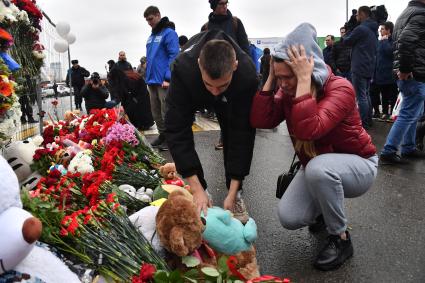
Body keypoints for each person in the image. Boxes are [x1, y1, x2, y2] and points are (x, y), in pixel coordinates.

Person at [250, 23, 378, 271]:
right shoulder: (287, 91)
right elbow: (261, 120)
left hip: (359, 166)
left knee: (319, 169)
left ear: (307, 70)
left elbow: (310, 129)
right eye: (280, 77)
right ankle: (324, 209)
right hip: (319, 165)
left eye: (288, 77)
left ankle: (340, 238)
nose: (284, 84)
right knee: (289, 217)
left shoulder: (341, 88)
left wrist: (304, 83)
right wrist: (270, 78)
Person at [165, 30, 257, 223]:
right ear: (199, 64)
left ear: (235, 66)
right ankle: (201, 192)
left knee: (234, 133)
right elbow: (177, 129)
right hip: (193, 88)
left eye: (221, 86)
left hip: (232, 96)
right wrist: (197, 188)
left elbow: (242, 134)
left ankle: (237, 195)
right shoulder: (183, 69)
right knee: (178, 129)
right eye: (210, 85)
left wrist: (233, 191)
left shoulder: (246, 74)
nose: (215, 92)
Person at [379, 0, 425, 165]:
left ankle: (408, 147)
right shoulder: (420, 14)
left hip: (408, 73)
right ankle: (389, 150)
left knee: (413, 112)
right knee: (408, 113)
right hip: (414, 73)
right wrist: (405, 69)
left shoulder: (406, 13)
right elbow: (405, 41)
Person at [144, 5, 179, 151]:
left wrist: (168, 78)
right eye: (147, 20)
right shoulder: (151, 36)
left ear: (158, 15)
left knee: (166, 111)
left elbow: (174, 55)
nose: (149, 22)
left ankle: (171, 139)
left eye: (151, 19)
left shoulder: (169, 33)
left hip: (163, 81)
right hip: (151, 80)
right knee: (155, 111)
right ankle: (162, 135)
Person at [343, 6, 378, 129]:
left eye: (357, 14)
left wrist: (349, 28)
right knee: (366, 94)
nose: (356, 16)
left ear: (362, 14)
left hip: (359, 66)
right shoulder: (373, 30)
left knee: (361, 96)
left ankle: (363, 123)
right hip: (369, 66)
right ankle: (368, 120)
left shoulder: (361, 29)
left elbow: (346, 41)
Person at [369, 21, 398, 120]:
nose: (380, 31)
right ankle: (384, 112)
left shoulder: (393, 41)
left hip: (391, 75)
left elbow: (390, 53)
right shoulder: (380, 42)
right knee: (384, 95)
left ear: (388, 30)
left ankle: (392, 113)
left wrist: (385, 41)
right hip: (380, 74)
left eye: (382, 29)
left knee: (392, 95)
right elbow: (376, 57)